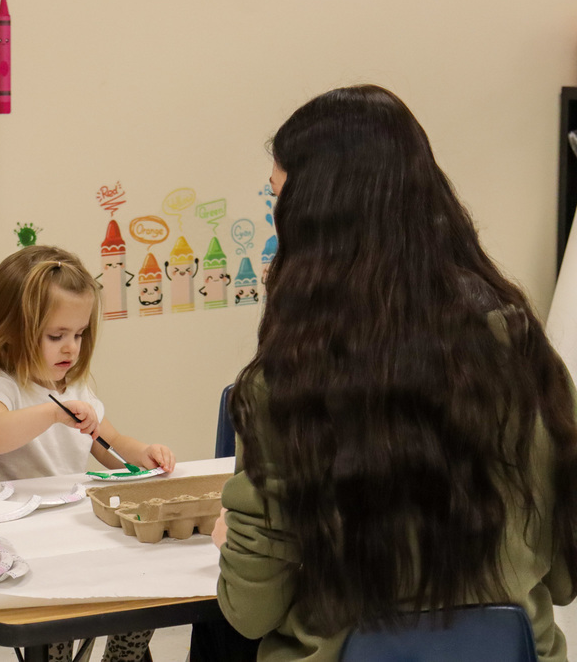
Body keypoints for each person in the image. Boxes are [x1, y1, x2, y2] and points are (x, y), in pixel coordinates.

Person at [212, 84, 577, 661]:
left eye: (277, 201)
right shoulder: (525, 353)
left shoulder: (284, 385)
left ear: (311, 219)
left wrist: (234, 537)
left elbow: (248, 611)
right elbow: (563, 577)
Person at [0, 244, 177, 662]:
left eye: (79, 334)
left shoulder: (76, 390)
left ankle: (124, 656)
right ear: (14, 330)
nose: (71, 348)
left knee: (148, 577)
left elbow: (110, 445)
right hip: (16, 541)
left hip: (67, 530)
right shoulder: (0, 387)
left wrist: (146, 454)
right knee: (58, 612)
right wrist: (49, 413)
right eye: (56, 336)